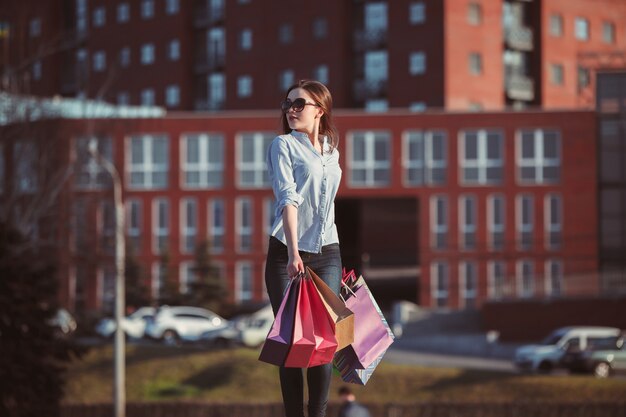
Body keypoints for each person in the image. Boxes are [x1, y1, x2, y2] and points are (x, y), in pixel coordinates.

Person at [265, 79, 342, 417]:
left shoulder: (332, 150)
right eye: (288, 104)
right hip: (287, 251)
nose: (291, 110)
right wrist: (295, 252)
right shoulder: (283, 145)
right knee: (292, 342)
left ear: (319, 110)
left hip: (327, 251)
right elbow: (288, 198)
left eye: (299, 104)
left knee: (324, 340)